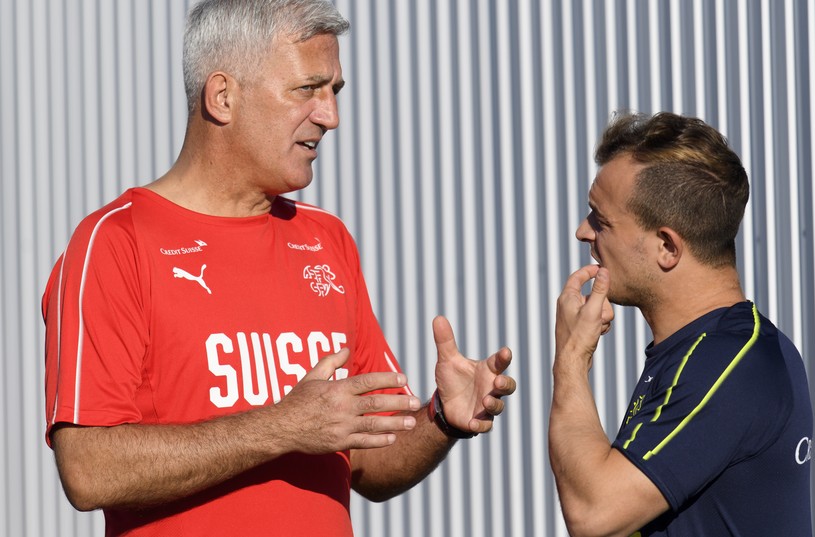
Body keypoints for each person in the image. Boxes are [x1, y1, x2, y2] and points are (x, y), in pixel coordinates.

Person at [41, 1, 516, 535]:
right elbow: (87, 469)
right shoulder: (114, 242)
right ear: (223, 97)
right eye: (307, 89)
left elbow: (367, 461)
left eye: (335, 91)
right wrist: (283, 427)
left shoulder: (326, 239)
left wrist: (441, 420)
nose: (330, 115)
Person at [549, 111, 813, 536]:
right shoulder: (705, 350)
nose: (584, 232)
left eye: (601, 219)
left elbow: (593, 515)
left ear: (667, 247)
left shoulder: (728, 364)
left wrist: (571, 359)